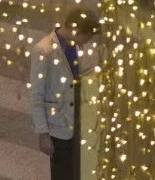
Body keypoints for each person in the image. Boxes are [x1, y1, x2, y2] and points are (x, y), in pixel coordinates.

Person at [30, 9, 100, 180]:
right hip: (58, 126)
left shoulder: (75, 45)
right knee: (62, 174)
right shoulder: (43, 50)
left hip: (78, 121)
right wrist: (43, 134)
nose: (86, 43)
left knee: (79, 171)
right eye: (86, 37)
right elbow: (36, 96)